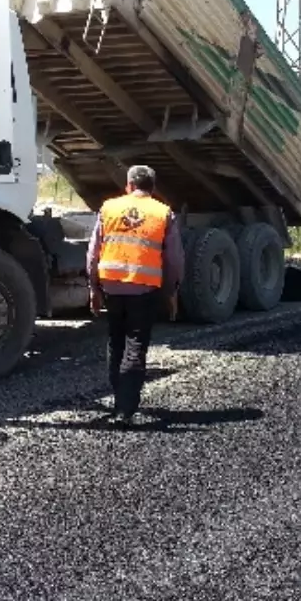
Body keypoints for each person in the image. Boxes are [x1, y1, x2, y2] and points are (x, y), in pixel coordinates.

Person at [87, 164, 185, 427]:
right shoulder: (163, 213)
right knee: (136, 346)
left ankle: (120, 399)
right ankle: (125, 410)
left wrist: (94, 289)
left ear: (128, 186)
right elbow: (174, 259)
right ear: (153, 188)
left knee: (115, 342)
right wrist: (172, 291)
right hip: (143, 288)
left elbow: (93, 252)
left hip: (111, 286)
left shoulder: (108, 208)